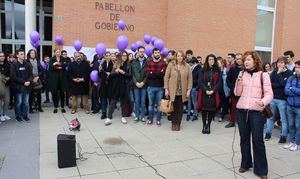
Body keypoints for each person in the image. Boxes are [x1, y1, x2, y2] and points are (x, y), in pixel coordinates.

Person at [234, 51, 273, 179]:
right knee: (244, 139)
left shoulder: (264, 75)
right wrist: (239, 81)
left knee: (258, 140)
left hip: (257, 112)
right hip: (242, 111)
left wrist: (263, 101)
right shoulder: (241, 74)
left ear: (255, 61)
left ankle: (261, 170)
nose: (246, 62)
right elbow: (237, 93)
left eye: (249, 59)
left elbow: (269, 94)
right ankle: (246, 163)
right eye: (245, 60)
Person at [265, 56, 293, 143]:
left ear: (285, 64)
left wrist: (279, 74)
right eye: (278, 62)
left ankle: (283, 136)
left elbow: (284, 85)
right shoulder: (274, 72)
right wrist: (279, 83)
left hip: (282, 100)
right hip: (273, 98)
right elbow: (270, 84)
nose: (280, 64)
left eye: (282, 62)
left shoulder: (289, 73)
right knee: (270, 117)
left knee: (283, 119)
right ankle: (268, 133)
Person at [164, 50, 192, 131]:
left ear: (183, 57)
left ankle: (178, 124)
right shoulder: (171, 65)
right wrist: (166, 89)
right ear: (176, 57)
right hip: (172, 91)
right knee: (173, 108)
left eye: (181, 56)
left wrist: (188, 90)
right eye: (178, 56)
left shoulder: (187, 66)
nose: (179, 57)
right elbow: (166, 77)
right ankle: (173, 123)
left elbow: (190, 78)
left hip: (182, 91)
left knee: (180, 109)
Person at [105, 51, 131, 125]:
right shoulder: (116, 64)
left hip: (124, 86)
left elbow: (130, 77)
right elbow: (110, 76)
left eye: (126, 56)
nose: (124, 57)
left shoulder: (129, 65)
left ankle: (123, 117)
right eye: (123, 55)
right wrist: (115, 72)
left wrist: (124, 73)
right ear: (120, 56)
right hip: (116, 86)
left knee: (123, 103)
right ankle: (108, 117)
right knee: (113, 102)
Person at [198, 54, 222, 134]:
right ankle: (204, 125)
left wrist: (213, 90)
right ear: (207, 61)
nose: (211, 61)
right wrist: (205, 90)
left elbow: (219, 82)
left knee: (211, 111)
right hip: (204, 93)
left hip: (213, 93)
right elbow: (200, 81)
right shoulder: (203, 70)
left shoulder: (217, 70)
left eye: (212, 59)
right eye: (209, 59)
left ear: (214, 61)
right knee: (204, 110)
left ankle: (208, 125)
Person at [10, 49, 33, 122]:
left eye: (23, 54)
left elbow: (30, 74)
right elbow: (13, 76)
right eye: (21, 54)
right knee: (18, 103)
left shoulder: (27, 64)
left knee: (25, 102)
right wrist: (23, 82)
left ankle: (25, 116)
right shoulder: (14, 64)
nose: (23, 55)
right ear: (17, 55)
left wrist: (29, 81)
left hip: (27, 87)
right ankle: (18, 116)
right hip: (18, 87)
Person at [146, 48, 167, 125]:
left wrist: (153, 73)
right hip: (151, 87)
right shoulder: (149, 62)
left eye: (158, 53)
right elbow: (148, 75)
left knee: (159, 105)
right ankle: (150, 119)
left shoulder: (163, 63)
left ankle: (158, 120)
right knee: (151, 104)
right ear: (153, 54)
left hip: (160, 87)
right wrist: (158, 73)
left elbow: (163, 74)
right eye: (155, 53)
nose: (157, 54)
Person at [284, 60, 300, 151]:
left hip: (299, 107)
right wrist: (295, 90)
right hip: (290, 105)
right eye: (296, 67)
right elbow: (286, 91)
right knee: (291, 125)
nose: (297, 69)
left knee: (298, 126)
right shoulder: (291, 78)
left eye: (299, 67)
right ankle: (291, 141)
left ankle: (297, 143)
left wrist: (292, 88)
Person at [47, 48, 69, 113]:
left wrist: (57, 64)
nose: (58, 53)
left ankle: (62, 107)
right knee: (55, 93)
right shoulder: (52, 59)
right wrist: (58, 66)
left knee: (62, 93)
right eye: (57, 52)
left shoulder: (64, 59)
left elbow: (65, 65)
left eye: (59, 52)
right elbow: (51, 67)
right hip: (54, 80)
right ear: (54, 53)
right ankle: (55, 107)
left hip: (62, 79)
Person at [225, 53, 243, 128]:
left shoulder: (246, 69)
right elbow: (227, 79)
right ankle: (232, 121)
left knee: (242, 108)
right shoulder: (233, 68)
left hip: (244, 93)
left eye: (240, 59)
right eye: (237, 59)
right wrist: (232, 87)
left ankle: (242, 122)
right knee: (233, 107)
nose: (239, 60)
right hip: (234, 92)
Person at [131, 46, 147, 122]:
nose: (142, 53)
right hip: (136, 85)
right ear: (137, 52)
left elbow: (147, 75)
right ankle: (137, 116)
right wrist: (136, 82)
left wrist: (143, 82)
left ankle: (143, 116)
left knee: (143, 101)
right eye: (140, 51)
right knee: (137, 101)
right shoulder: (134, 62)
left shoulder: (147, 62)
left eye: (143, 51)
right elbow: (133, 74)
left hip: (144, 85)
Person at [99, 51, 114, 119]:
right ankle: (104, 113)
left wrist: (110, 74)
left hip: (111, 84)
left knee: (110, 99)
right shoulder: (101, 64)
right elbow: (99, 75)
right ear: (104, 56)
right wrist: (99, 71)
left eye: (109, 55)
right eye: (106, 55)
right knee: (104, 99)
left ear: (110, 56)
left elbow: (115, 75)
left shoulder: (113, 64)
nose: (108, 57)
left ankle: (110, 113)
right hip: (104, 84)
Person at [187, 57, 201, 121]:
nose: (189, 65)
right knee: (189, 101)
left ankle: (195, 114)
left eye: (190, 64)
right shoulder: (190, 69)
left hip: (194, 87)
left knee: (194, 102)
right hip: (189, 87)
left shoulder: (198, 69)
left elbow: (199, 79)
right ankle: (188, 114)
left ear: (194, 63)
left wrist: (197, 87)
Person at [217, 56, 230, 122]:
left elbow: (228, 81)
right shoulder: (217, 71)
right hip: (218, 90)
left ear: (222, 63)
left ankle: (222, 116)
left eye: (218, 63)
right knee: (218, 103)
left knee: (224, 103)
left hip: (225, 90)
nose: (217, 64)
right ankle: (217, 114)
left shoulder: (226, 71)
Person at [0, 51, 11, 122]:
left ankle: (4, 114)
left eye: (3, 56)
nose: (2, 57)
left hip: (6, 85)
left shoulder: (8, 64)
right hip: (0, 85)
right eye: (0, 56)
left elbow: (11, 74)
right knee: (0, 102)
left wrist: (8, 78)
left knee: (7, 100)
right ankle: (0, 115)